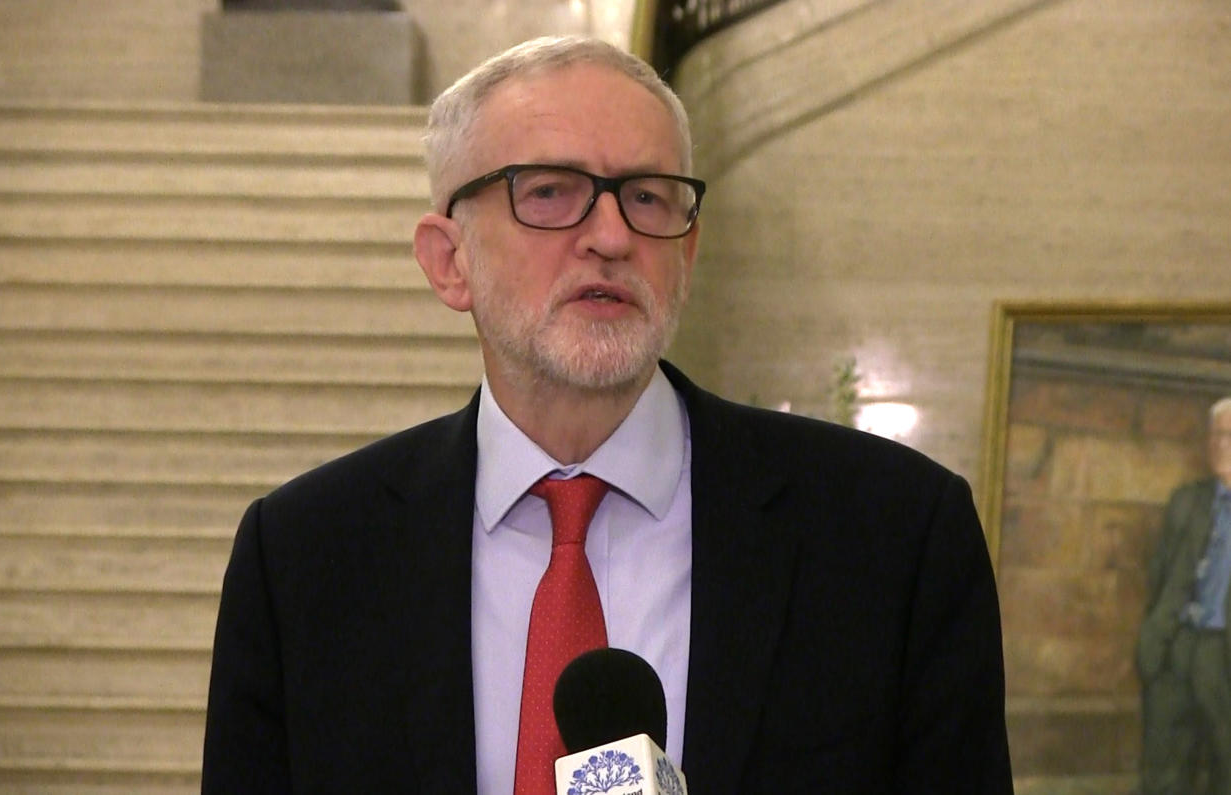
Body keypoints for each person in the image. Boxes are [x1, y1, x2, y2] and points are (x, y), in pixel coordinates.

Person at [202, 35, 1012, 794]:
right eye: (551, 192)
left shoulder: (894, 535)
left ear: (686, 256)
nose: (612, 235)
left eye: (649, 197)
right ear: (450, 261)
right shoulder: (307, 556)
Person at [1138, 397, 1231, 795]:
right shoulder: (1187, 501)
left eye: (1230, 436)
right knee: (1162, 775)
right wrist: (1155, 641)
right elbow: (1160, 578)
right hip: (1175, 649)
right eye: (1216, 435)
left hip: (1223, 655)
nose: (1221, 444)